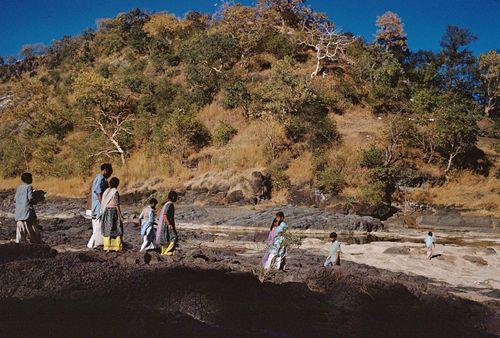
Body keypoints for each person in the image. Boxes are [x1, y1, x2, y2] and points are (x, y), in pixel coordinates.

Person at [87, 163, 113, 249]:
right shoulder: (100, 178)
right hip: (98, 206)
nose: (110, 174)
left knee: (96, 227)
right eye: (110, 172)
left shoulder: (100, 178)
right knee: (98, 227)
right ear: (105, 170)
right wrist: (102, 204)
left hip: (96, 206)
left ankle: (93, 245)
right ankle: (91, 245)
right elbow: (98, 192)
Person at [14, 172, 41, 244]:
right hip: (27, 212)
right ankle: (36, 243)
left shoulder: (19, 187)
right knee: (33, 230)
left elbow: (15, 199)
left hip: (19, 213)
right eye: (31, 178)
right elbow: (30, 199)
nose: (32, 179)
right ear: (28, 179)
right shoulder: (29, 187)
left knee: (20, 233)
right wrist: (37, 199)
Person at [99, 177, 124, 252]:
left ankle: (107, 247)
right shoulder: (115, 192)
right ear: (117, 184)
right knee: (117, 228)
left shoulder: (107, 191)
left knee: (107, 229)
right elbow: (117, 204)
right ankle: (116, 247)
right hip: (113, 212)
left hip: (106, 212)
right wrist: (120, 216)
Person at [156, 191, 178, 255]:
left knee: (165, 238)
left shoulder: (166, 204)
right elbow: (165, 215)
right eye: (176, 197)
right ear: (173, 197)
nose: (176, 198)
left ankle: (163, 252)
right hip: (166, 224)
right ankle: (167, 252)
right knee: (174, 237)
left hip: (164, 224)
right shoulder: (169, 204)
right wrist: (169, 224)